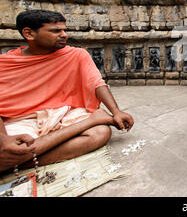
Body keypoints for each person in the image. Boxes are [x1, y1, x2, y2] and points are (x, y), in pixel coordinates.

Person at [0, 10, 134, 173]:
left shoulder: (76, 55)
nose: (64, 35)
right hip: (21, 120)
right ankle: (91, 121)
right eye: (56, 31)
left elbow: (97, 83)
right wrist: (4, 139)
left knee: (100, 132)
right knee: (7, 149)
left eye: (64, 30)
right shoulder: (6, 64)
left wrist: (116, 111)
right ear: (29, 33)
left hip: (62, 113)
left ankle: (18, 162)